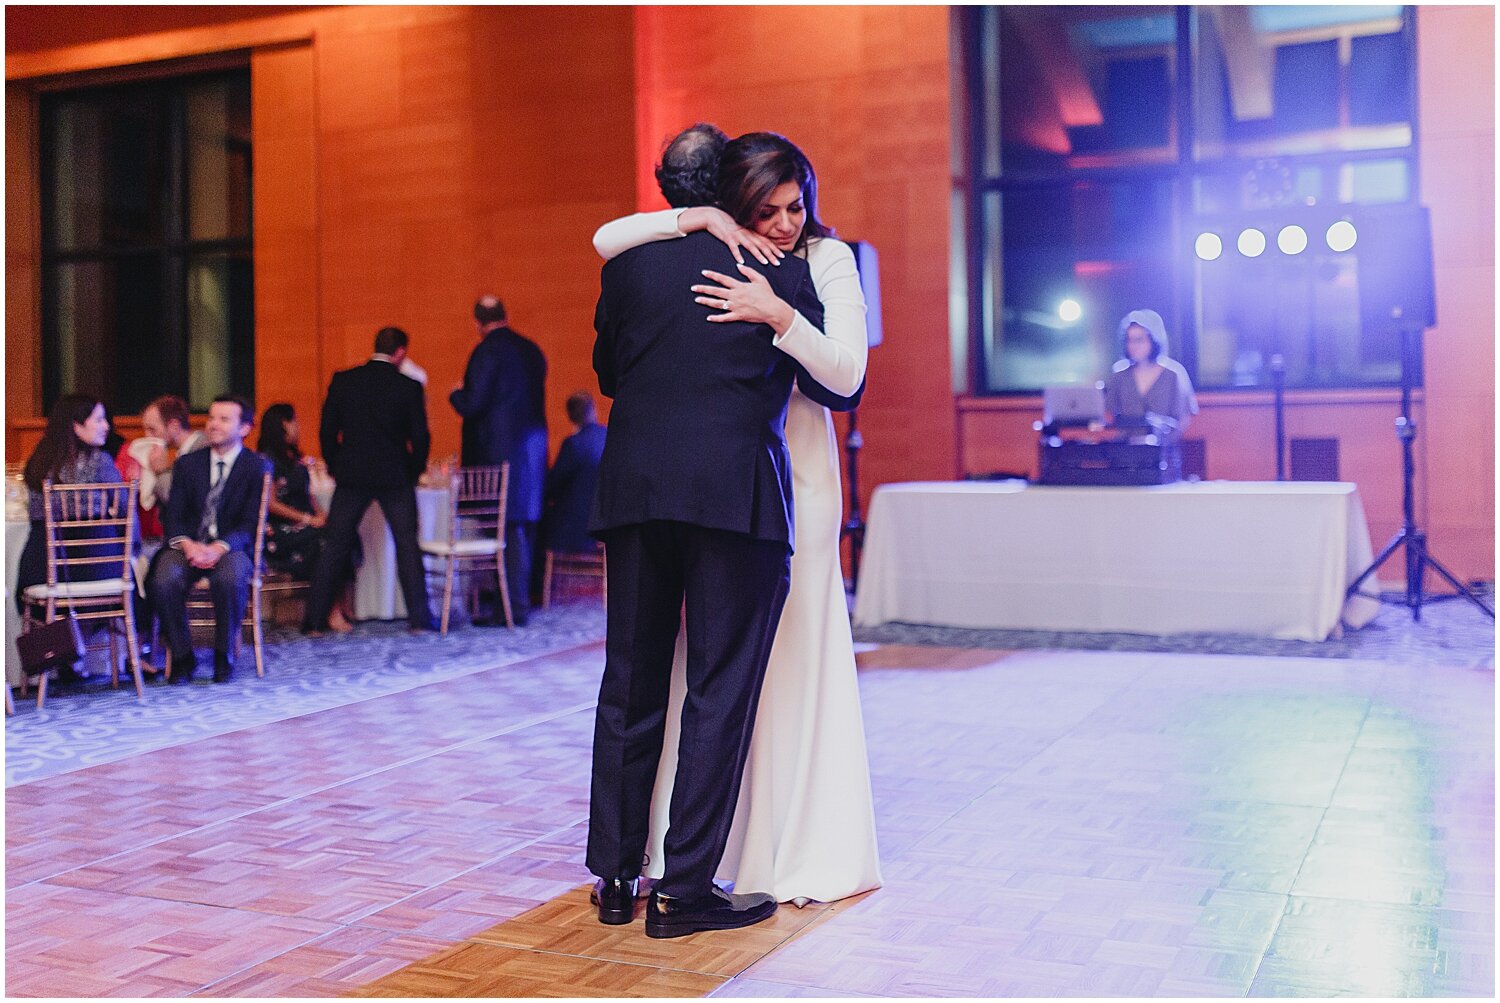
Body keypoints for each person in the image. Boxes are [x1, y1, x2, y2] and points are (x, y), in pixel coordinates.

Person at [592, 129, 880, 907]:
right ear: (730, 203)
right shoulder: (762, 263)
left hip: (695, 485)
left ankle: (633, 872)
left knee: (649, 677)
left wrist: (778, 314)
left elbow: (845, 379)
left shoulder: (800, 266)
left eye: (797, 207)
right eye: (770, 207)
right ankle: (681, 882)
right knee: (712, 684)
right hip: (735, 488)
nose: (788, 222)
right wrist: (713, 244)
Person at [304, 327, 435, 636]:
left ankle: (313, 621)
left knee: (335, 545)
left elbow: (326, 431)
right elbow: (421, 437)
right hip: (395, 475)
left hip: (352, 474)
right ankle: (419, 619)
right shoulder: (409, 386)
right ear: (400, 352)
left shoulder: (344, 381)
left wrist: (336, 465)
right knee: (406, 545)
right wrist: (413, 471)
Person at [148, 395, 271, 684]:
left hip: (231, 546)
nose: (213, 424)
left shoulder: (256, 467)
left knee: (230, 577)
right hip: (188, 545)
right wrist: (189, 545)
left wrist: (218, 548)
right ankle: (181, 656)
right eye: (212, 418)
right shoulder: (188, 464)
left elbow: (251, 523)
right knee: (165, 578)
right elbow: (174, 517)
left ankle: (223, 654)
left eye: (224, 419)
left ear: (244, 428)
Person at [449, 296, 548, 625]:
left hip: (499, 454)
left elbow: (473, 404)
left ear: (478, 322)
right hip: (533, 451)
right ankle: (520, 600)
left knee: (504, 530)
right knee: (524, 529)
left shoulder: (486, 352)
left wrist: (456, 394)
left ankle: (510, 607)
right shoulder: (532, 350)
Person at [16, 394, 126, 614]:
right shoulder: (101, 462)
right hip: (98, 568)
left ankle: (56, 644)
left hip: (45, 571)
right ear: (76, 425)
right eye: (99, 419)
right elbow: (124, 509)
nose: (106, 426)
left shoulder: (38, 463)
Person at [256, 404, 355, 633]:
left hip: (304, 523)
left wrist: (320, 514)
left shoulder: (295, 459)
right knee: (324, 544)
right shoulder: (266, 461)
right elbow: (270, 503)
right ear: (282, 425)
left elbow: (307, 495)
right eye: (294, 422)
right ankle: (329, 611)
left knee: (342, 536)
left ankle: (337, 605)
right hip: (280, 531)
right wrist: (307, 519)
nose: (298, 427)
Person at [1103, 309, 1198, 435]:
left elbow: (1183, 418)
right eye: (1129, 340)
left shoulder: (1173, 374)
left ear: (1154, 341)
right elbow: (1108, 415)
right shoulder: (1119, 375)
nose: (1133, 346)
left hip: (1163, 450)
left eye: (1139, 340)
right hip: (1126, 450)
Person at [541, 391, 607, 557]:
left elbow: (552, 484)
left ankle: (539, 579)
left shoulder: (573, 445)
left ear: (570, 416)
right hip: (606, 521)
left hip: (576, 524)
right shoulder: (610, 436)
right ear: (593, 409)